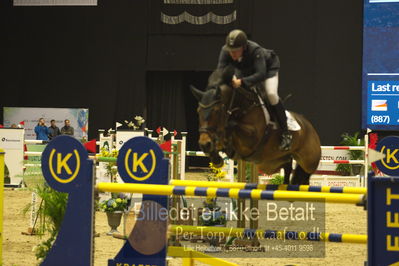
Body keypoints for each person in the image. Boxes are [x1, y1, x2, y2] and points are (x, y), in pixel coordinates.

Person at [217, 29, 292, 151]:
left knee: (271, 94)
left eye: (236, 51)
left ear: (244, 47)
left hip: (267, 69)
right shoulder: (225, 51)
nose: (233, 54)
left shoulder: (255, 50)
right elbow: (220, 71)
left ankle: (285, 133)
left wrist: (241, 82)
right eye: (231, 51)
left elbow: (261, 74)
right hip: (247, 70)